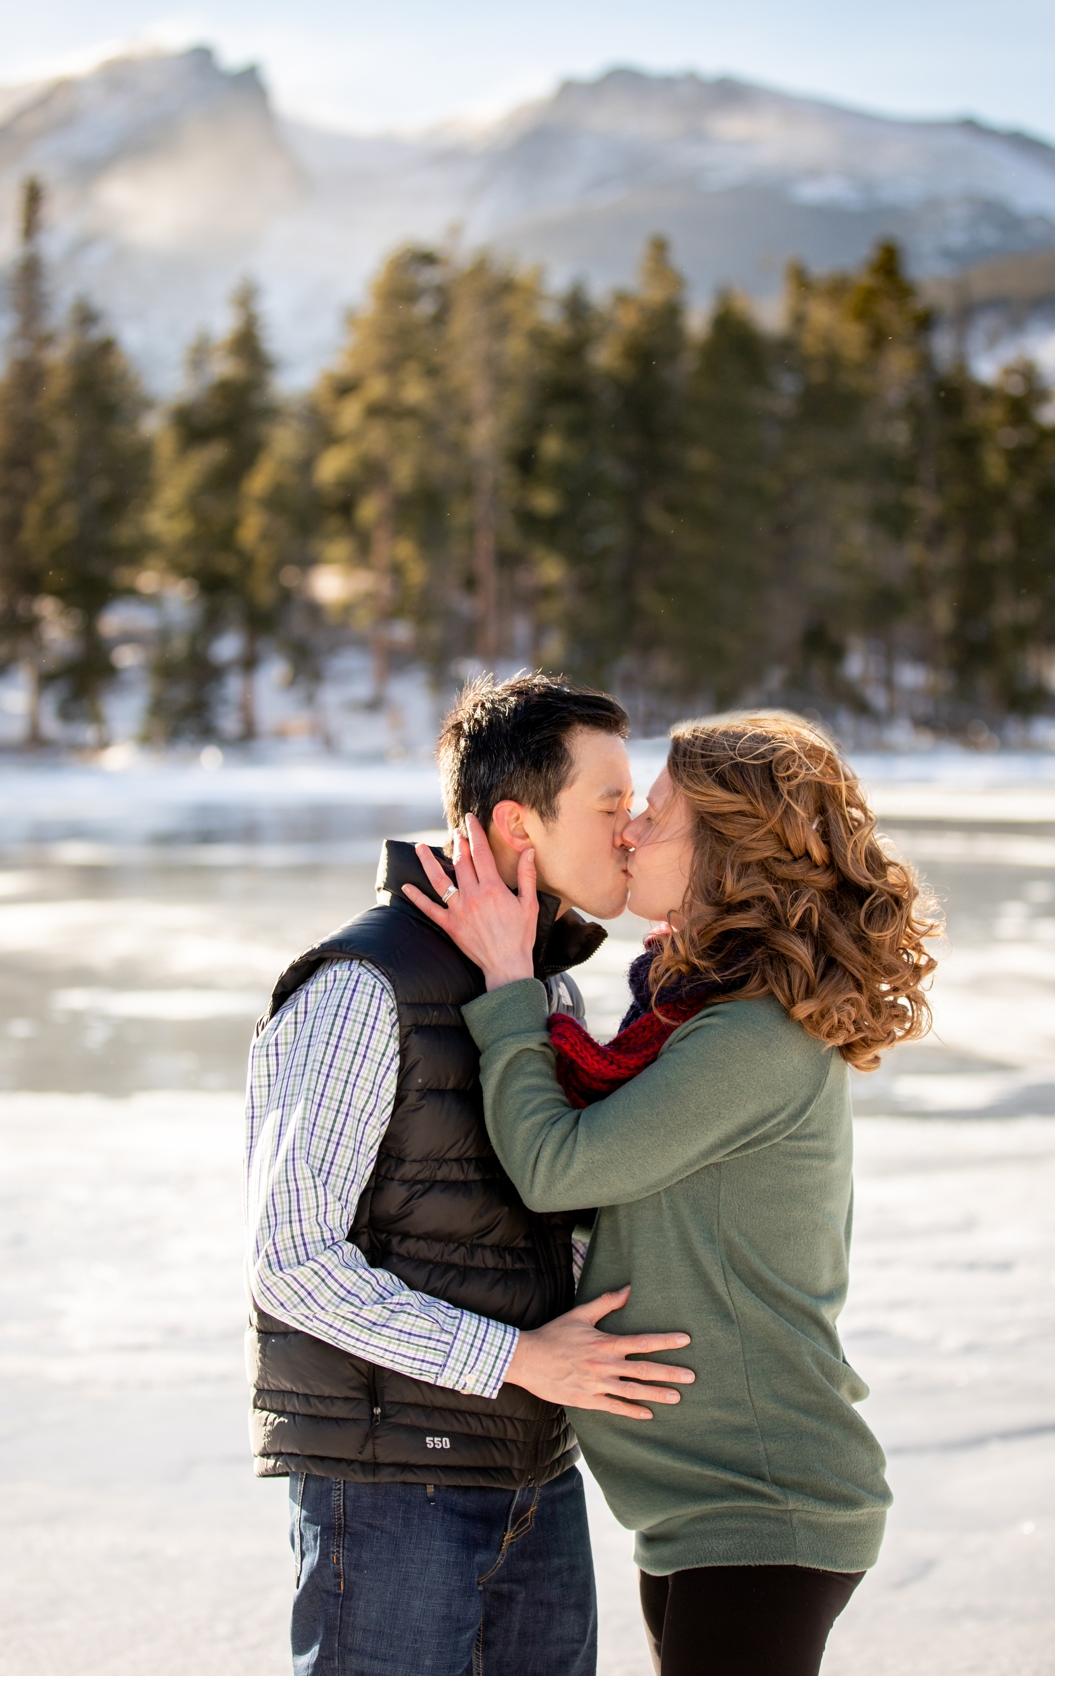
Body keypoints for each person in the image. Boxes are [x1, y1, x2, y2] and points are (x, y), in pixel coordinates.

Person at [409, 711, 935, 1676]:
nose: (628, 832)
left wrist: (507, 982)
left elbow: (558, 1166)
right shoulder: (691, 1012)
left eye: (652, 814)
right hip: (704, 1508)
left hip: (763, 1503)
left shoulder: (749, 1038)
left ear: (726, 850)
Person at [244, 671, 698, 1676]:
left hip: (534, 1470)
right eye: (609, 803)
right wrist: (520, 1360)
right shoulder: (362, 987)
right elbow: (291, 1260)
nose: (630, 830)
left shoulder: (542, 983)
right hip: (394, 1489)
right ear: (517, 827)